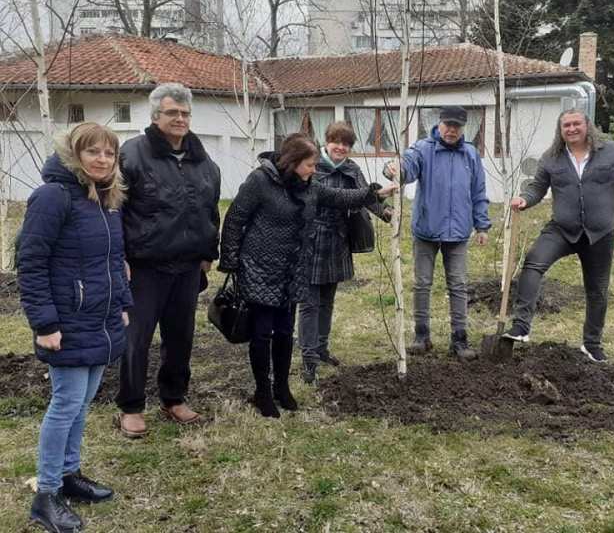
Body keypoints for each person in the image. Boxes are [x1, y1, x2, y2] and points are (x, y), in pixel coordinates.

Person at [219, 133, 396, 418]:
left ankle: (282, 387)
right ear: (292, 162)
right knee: (262, 333)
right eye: (310, 165)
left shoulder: (310, 185)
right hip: (260, 268)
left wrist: (373, 194)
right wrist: (230, 261)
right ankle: (262, 391)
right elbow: (235, 217)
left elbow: (339, 197)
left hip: (293, 269)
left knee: (286, 331)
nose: (315, 170)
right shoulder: (260, 181)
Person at [17, 123, 130, 532]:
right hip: (65, 322)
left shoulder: (104, 199)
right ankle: (46, 494)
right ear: (74, 155)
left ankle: (69, 474)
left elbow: (115, 259)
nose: (102, 160)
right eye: (93, 152)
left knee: (82, 405)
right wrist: (44, 323)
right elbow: (30, 263)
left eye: (109, 154)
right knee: (65, 405)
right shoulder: (52, 196)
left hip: (100, 320)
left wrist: (123, 305)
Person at [115, 83, 221, 438]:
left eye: (185, 113)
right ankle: (131, 406)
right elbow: (113, 212)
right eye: (172, 112)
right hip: (144, 266)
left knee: (181, 338)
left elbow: (210, 211)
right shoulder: (131, 155)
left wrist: (208, 253)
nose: (180, 119)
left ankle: (174, 397)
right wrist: (118, 258)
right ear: (156, 116)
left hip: (188, 267)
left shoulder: (203, 160)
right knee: (136, 339)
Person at [503, 109, 614, 362]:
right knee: (533, 262)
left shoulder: (613, 152)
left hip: (600, 233)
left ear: (587, 125)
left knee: (597, 290)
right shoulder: (552, 158)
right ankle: (521, 326)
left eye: (576, 124)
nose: (571, 129)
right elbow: (537, 188)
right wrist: (525, 199)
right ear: (561, 131)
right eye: (566, 125)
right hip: (562, 229)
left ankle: (592, 344)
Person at [384, 105, 491, 360]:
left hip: (458, 233)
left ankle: (459, 340)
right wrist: (395, 169)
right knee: (422, 285)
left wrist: (482, 225)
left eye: (457, 126)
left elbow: (478, 192)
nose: (451, 130)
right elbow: (407, 167)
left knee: (458, 285)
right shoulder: (423, 149)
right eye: (448, 125)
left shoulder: (471, 154)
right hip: (427, 230)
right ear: (439, 123)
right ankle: (422, 337)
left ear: (463, 128)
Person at [298, 122, 393, 384]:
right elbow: (331, 196)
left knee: (328, 301)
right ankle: (308, 359)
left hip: (338, 241)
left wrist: (386, 212)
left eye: (347, 144)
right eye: (336, 142)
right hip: (310, 241)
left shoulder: (351, 169)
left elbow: (366, 196)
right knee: (309, 304)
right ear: (326, 142)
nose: (341, 148)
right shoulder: (312, 166)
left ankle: (321, 348)